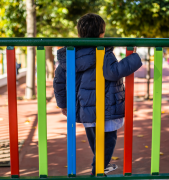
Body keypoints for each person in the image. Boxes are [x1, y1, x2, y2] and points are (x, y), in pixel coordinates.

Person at [53, 13, 142, 175]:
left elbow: (59, 82)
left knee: (94, 138)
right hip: (106, 106)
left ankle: (101, 165)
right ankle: (98, 170)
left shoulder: (70, 56)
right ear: (102, 34)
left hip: (85, 108)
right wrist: (134, 58)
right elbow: (113, 72)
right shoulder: (103, 52)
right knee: (108, 139)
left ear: (79, 34)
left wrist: (63, 104)